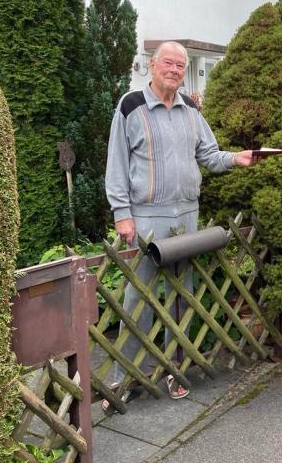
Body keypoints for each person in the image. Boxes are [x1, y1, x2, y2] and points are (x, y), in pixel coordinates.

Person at [105, 41, 255, 407]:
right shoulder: (131, 107)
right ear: (152, 65)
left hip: (186, 213)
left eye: (180, 65)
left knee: (182, 295)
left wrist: (235, 159)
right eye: (168, 63)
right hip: (146, 217)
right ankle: (124, 377)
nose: (174, 69)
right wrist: (122, 214)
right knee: (136, 297)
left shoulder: (190, 109)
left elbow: (208, 155)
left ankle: (177, 367)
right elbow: (117, 165)